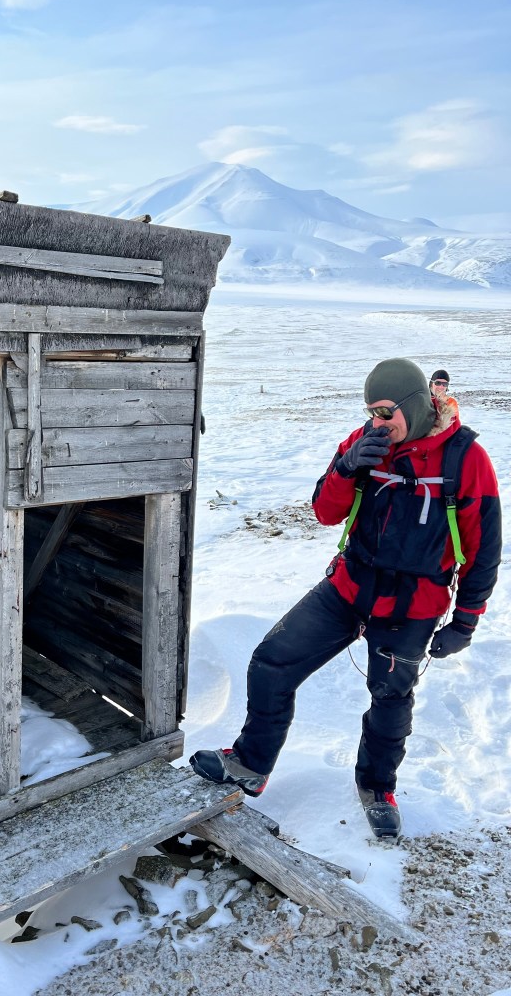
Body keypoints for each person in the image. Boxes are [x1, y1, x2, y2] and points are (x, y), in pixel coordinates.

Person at [191, 358, 501, 839]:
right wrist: (346, 466)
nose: (378, 422)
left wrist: (466, 620)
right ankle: (250, 764)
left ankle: (377, 788)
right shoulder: (364, 444)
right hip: (349, 587)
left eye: (386, 411)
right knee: (272, 661)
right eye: (371, 411)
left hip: (412, 605)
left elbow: (483, 549)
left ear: (415, 403)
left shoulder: (465, 459)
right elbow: (325, 512)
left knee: (390, 698)